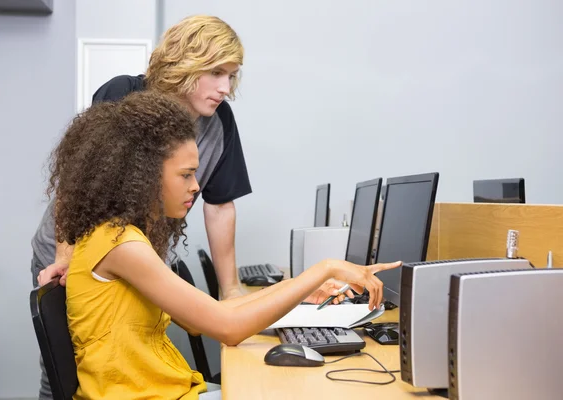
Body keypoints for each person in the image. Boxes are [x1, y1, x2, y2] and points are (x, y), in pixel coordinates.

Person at [49, 88, 400, 400]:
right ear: (142, 175)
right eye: (186, 174)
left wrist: (302, 286)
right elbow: (228, 328)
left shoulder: (121, 237)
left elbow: (208, 317)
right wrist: (325, 267)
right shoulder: (120, 245)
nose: (196, 186)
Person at [34, 14, 251, 300]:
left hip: (136, 261)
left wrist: (231, 290)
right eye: (215, 72)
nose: (225, 88)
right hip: (71, 254)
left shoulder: (220, 121)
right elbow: (77, 184)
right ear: (185, 63)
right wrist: (64, 257)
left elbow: (220, 207)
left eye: (231, 76)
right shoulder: (124, 95)